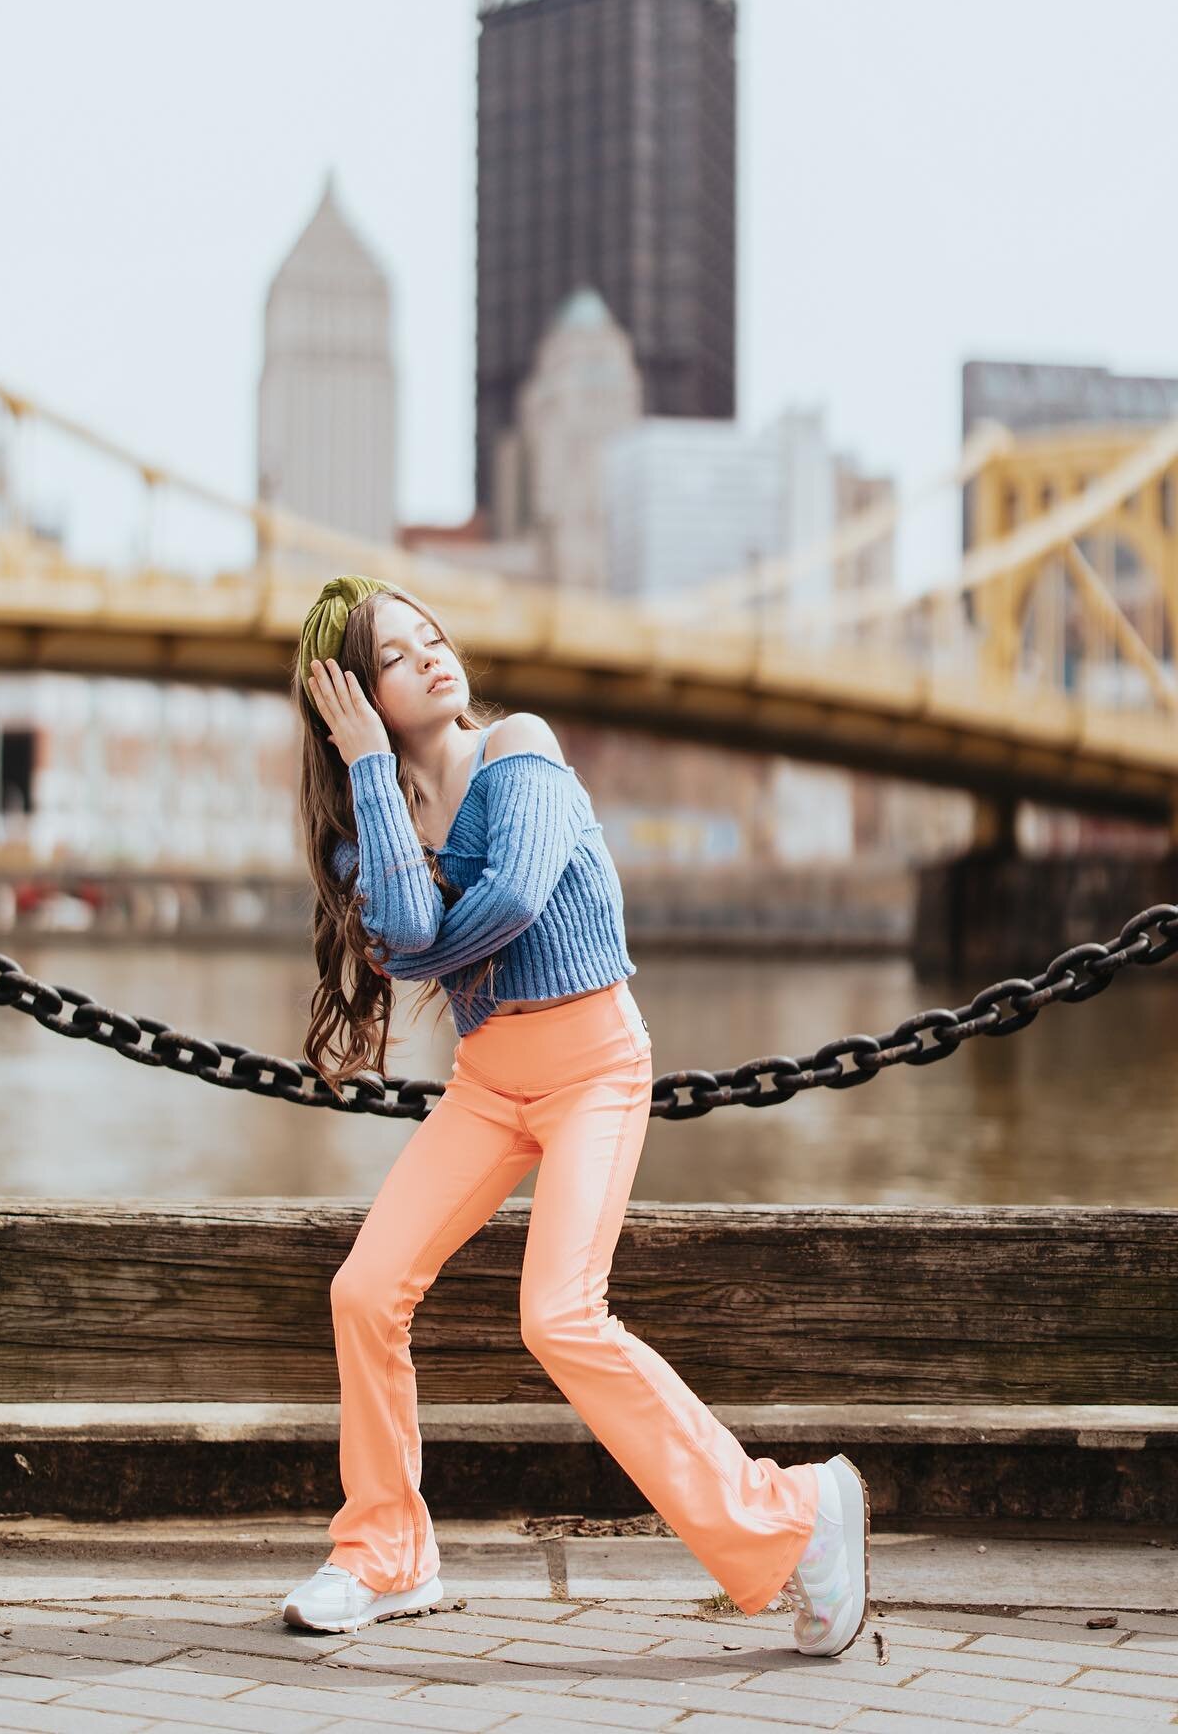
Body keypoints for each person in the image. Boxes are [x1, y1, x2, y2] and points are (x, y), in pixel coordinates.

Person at [284, 572, 870, 1656]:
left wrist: (419, 946)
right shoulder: (366, 816)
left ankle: (793, 1514)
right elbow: (409, 916)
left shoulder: (520, 747)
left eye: (435, 637)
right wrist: (371, 768)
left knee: (559, 1317)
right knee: (364, 1290)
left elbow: (509, 898)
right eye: (397, 655)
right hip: (489, 1082)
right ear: (350, 698)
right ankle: (386, 1552)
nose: (432, 658)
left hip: (598, 1062)